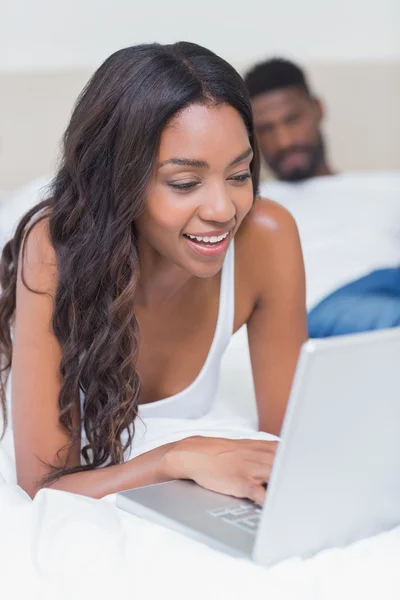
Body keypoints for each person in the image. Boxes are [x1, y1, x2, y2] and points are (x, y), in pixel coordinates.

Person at [0, 42, 307, 504]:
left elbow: (292, 445)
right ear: (119, 182)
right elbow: (41, 482)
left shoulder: (268, 237)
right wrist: (176, 457)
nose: (224, 210)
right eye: (185, 183)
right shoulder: (53, 248)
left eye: (240, 175)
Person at [244, 58, 400, 337]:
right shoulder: (250, 203)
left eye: (293, 120)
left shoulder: (389, 186)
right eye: (266, 129)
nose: (285, 141)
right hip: (326, 307)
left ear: (317, 109)